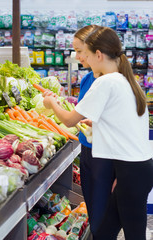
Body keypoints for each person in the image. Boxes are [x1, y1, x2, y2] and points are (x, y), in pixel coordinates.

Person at [43, 26, 153, 240]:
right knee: (104, 231)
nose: (82, 58)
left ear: (99, 55)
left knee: (133, 234)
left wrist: (52, 103)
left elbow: (68, 120)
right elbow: (124, 123)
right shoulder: (125, 81)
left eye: (85, 53)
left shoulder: (105, 82)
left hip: (131, 172)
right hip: (135, 169)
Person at [72, 25, 115, 238]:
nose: (77, 56)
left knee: (103, 214)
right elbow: (82, 117)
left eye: (80, 51)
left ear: (94, 50)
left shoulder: (112, 81)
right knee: (92, 209)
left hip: (105, 156)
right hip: (87, 151)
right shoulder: (87, 79)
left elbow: (73, 119)